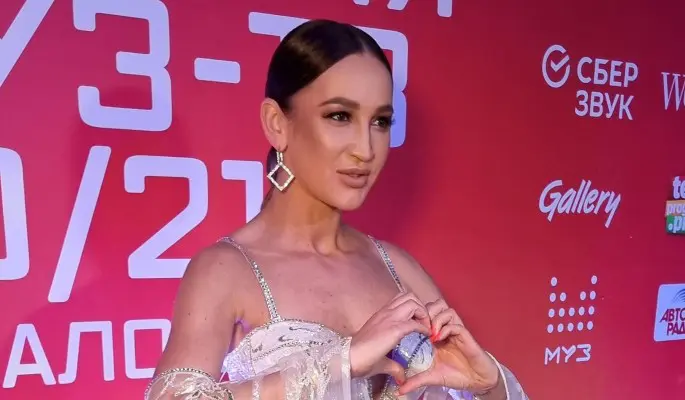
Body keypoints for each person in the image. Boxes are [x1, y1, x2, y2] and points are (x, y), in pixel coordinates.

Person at [144, 19, 528, 400]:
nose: (365, 148)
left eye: (380, 122)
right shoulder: (226, 269)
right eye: (339, 116)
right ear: (277, 124)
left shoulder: (398, 266)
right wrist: (340, 363)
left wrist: (490, 386)